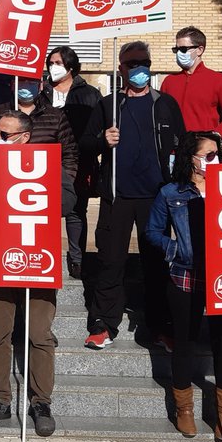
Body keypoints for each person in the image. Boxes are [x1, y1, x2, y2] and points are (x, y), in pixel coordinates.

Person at [0, 111, 76, 437]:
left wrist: (38, 185)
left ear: (24, 138)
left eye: (4, 134)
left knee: (39, 334)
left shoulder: (48, 167)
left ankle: (41, 403)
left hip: (36, 260)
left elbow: (69, 202)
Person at [80, 41, 184, 350]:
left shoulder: (165, 103)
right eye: (132, 63)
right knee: (111, 261)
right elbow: (84, 144)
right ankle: (103, 324)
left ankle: (160, 327)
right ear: (121, 68)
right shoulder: (108, 105)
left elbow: (181, 144)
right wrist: (102, 140)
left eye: (144, 62)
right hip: (117, 196)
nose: (139, 68)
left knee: (155, 264)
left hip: (156, 199)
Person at [145, 131, 222, 441]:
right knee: (184, 342)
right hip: (185, 275)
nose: (215, 159)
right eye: (208, 154)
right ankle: (184, 409)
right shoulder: (171, 192)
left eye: (217, 153)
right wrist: (174, 249)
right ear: (191, 158)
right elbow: (152, 231)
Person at [41, 46, 103, 280]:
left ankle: (77, 259)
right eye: (50, 62)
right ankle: (46, 254)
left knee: (77, 210)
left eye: (57, 62)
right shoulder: (41, 91)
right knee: (44, 210)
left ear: (70, 66)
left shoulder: (88, 93)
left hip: (78, 159)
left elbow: (97, 127)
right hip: (44, 158)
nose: (52, 66)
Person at [0, 76, 80, 182]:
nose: (26, 84)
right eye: (22, 80)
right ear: (13, 84)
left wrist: (64, 184)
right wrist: (2, 151)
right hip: (3, 182)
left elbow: (70, 154)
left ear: (40, 85)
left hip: (45, 184)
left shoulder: (56, 116)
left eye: (31, 81)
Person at [160, 26, 222, 137]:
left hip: (204, 150)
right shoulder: (169, 81)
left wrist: (218, 133)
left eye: (183, 49)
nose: (179, 54)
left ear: (199, 50)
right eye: (176, 50)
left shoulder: (217, 80)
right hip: (173, 151)